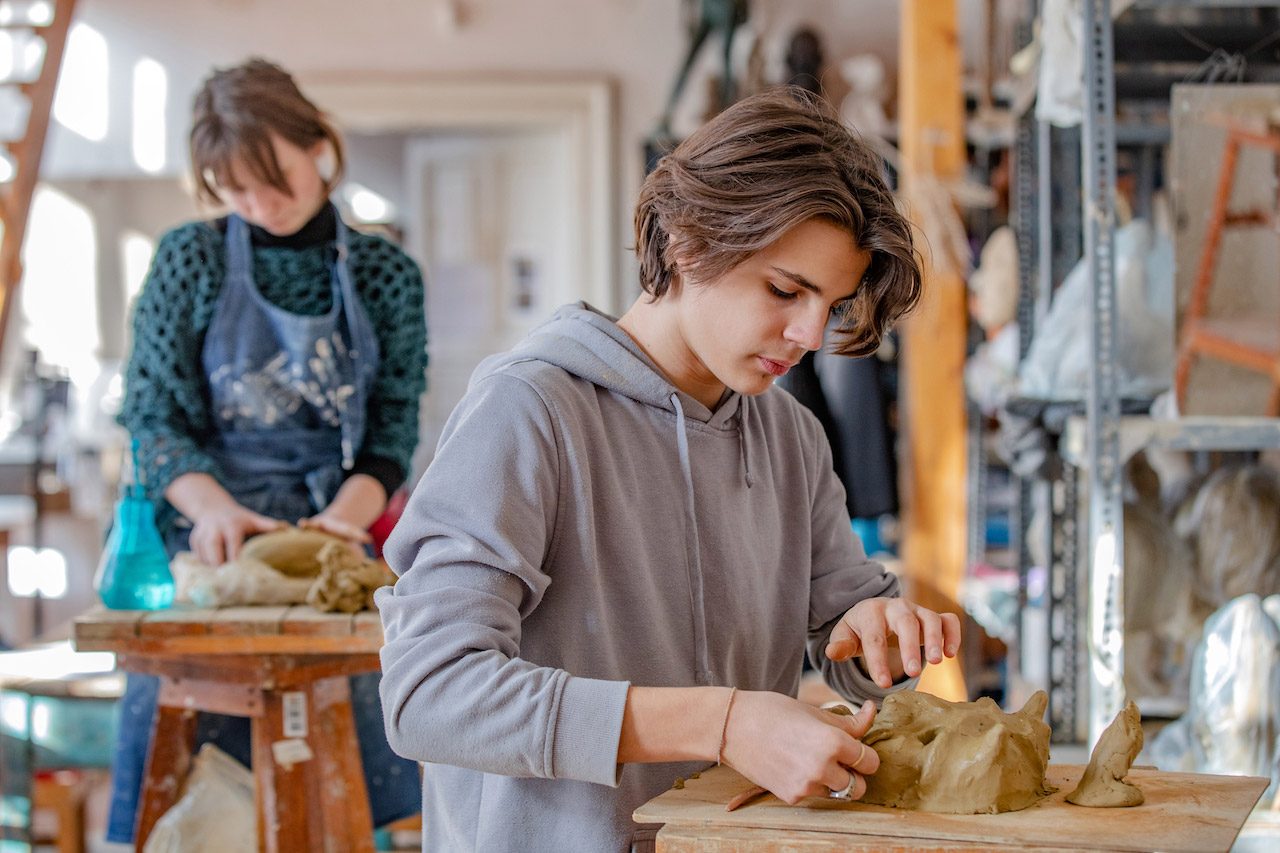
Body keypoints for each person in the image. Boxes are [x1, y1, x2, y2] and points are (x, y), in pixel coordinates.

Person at [376, 87, 962, 853]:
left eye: (832, 303)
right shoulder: (527, 412)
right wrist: (722, 722)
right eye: (786, 290)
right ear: (687, 240)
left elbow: (844, 639)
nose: (809, 334)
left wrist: (877, 635)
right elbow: (428, 695)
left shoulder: (792, 436)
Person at [107, 58, 426, 842]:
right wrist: (213, 510)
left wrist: (340, 526)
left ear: (317, 144)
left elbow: (392, 432)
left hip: (328, 542)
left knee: (335, 790)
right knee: (196, 789)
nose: (260, 204)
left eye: (273, 177)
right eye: (234, 189)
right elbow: (150, 416)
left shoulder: (385, 273)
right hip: (210, 546)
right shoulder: (191, 259)